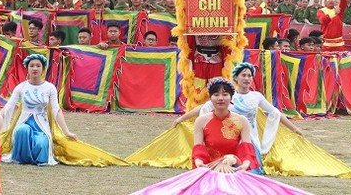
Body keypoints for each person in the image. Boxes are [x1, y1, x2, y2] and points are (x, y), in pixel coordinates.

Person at [133, 79, 311, 195]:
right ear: (210, 98)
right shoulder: (202, 121)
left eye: (225, 94)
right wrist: (201, 163)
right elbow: (199, 147)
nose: (220, 98)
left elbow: (246, 147)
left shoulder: (241, 121)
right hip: (208, 170)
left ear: (231, 98)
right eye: (216, 94)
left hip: (234, 170)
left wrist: (245, 164)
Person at [173, 63, 302, 171]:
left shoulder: (256, 97)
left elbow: (275, 112)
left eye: (249, 76)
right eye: (243, 75)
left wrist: (295, 128)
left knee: (251, 169)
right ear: (236, 77)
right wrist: (180, 119)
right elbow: (201, 112)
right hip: (213, 154)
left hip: (247, 139)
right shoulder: (215, 106)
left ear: (230, 98)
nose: (247, 78)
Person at [1, 54, 76, 165]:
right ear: (27, 68)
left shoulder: (50, 88)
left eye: (38, 66)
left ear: (43, 69)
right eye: (32, 66)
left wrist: (66, 131)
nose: (35, 68)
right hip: (24, 121)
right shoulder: (21, 87)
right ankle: (22, 158)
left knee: (41, 143)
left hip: (42, 124)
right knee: (22, 130)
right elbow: (8, 107)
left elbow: (56, 110)